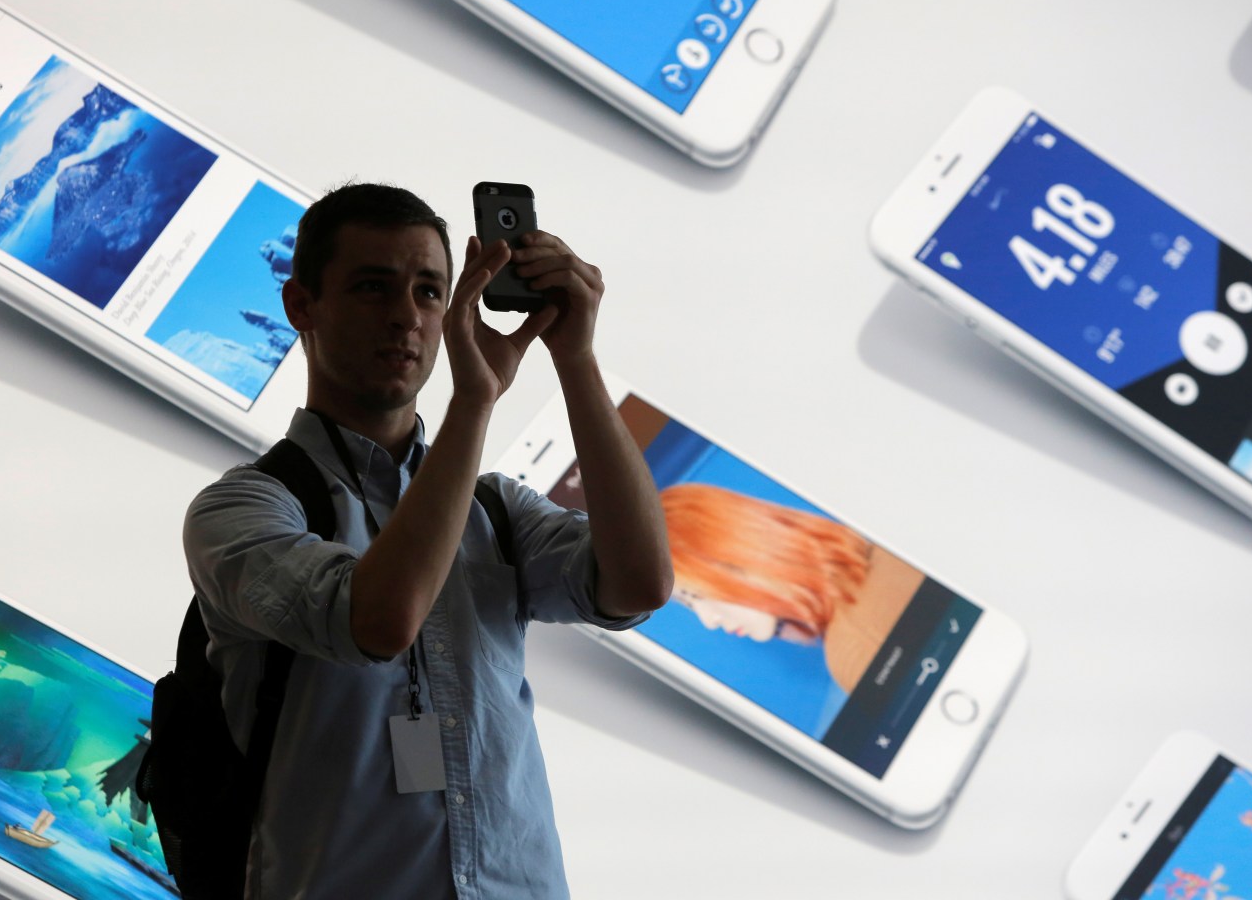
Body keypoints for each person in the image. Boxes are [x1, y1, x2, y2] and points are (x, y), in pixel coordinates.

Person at [182, 182, 673, 898]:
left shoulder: (492, 507)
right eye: (373, 288)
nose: (407, 318)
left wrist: (576, 359)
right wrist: (475, 402)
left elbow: (640, 584)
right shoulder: (243, 508)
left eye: (429, 291)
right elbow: (378, 620)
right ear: (301, 306)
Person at [658, 482, 921, 693]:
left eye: (697, 595)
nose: (709, 621)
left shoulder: (854, 650)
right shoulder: (891, 544)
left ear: (739, 556)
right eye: (689, 605)